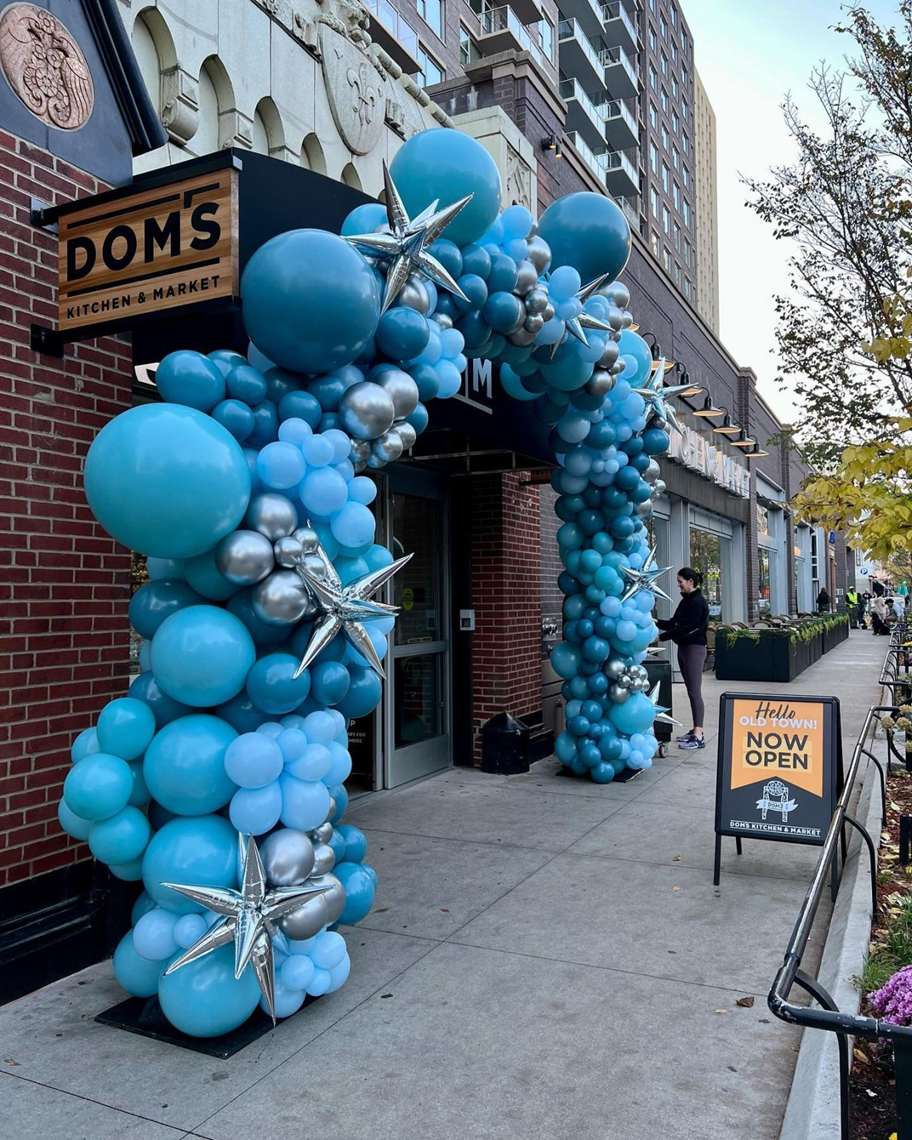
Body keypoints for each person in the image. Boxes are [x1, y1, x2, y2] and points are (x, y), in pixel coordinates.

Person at [656, 567, 710, 751]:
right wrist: (654, 622)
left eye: (680, 581)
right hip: (684, 648)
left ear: (690, 582)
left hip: (694, 649)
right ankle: (695, 730)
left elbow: (685, 628)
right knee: (691, 690)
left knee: (694, 691)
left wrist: (660, 637)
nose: (678, 585)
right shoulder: (686, 601)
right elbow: (673, 623)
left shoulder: (697, 602)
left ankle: (699, 735)